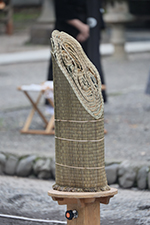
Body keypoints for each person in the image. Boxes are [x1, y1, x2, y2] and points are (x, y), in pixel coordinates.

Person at [47, 0, 107, 103]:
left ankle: (93, 100)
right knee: (67, 64)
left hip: (91, 30)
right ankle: (62, 102)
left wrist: (92, 29)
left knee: (91, 63)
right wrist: (82, 27)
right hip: (70, 31)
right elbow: (62, 8)